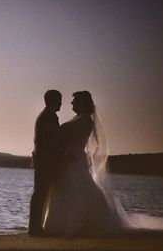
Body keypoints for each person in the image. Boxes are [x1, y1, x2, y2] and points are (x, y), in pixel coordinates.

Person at [42, 91, 126, 236]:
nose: (71, 103)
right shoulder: (78, 118)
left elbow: (72, 138)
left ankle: (75, 223)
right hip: (67, 158)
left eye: (74, 101)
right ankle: (59, 223)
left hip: (73, 158)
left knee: (75, 188)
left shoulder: (85, 120)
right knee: (64, 189)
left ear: (82, 103)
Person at [28, 90, 62, 236]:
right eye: (60, 99)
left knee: (41, 194)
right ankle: (34, 228)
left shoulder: (48, 115)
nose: (61, 103)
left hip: (45, 160)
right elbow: (52, 139)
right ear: (53, 100)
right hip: (45, 161)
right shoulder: (48, 116)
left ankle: (36, 227)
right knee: (40, 194)